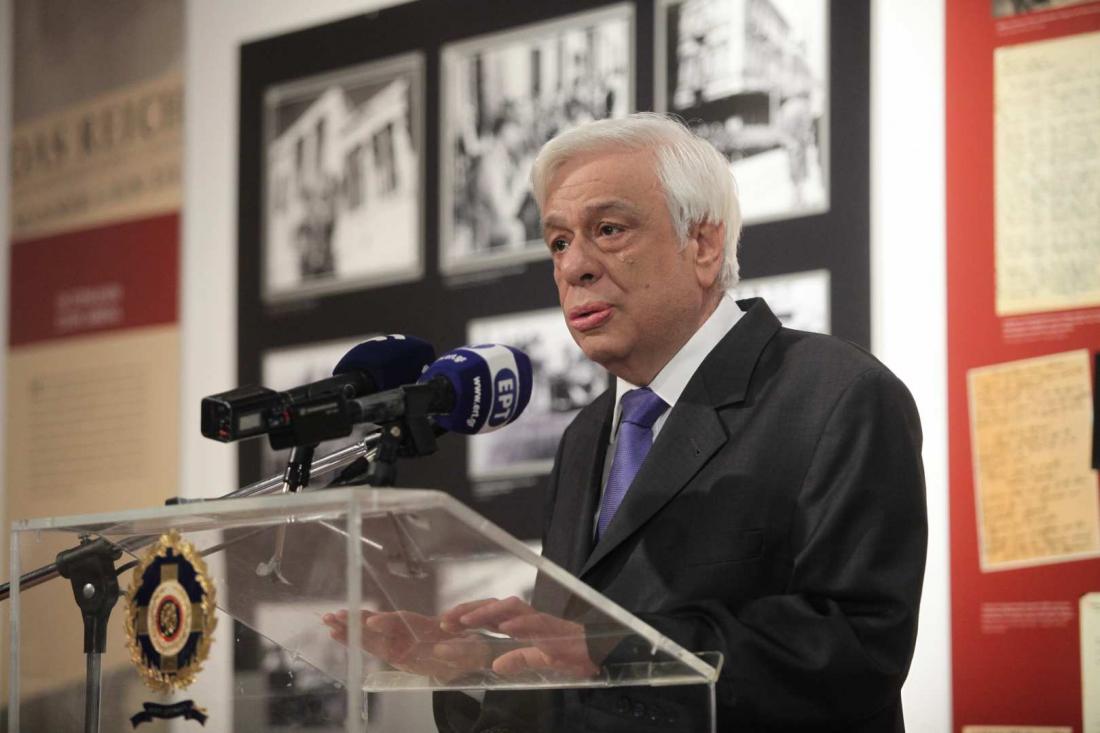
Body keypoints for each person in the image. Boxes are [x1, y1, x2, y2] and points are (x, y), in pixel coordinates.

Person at [330, 112, 926, 732]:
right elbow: (579, 674)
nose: (573, 267)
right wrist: (483, 668)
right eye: (559, 242)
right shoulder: (587, 435)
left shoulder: (836, 394)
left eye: (608, 230)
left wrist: (616, 650)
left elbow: (859, 650)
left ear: (703, 244)